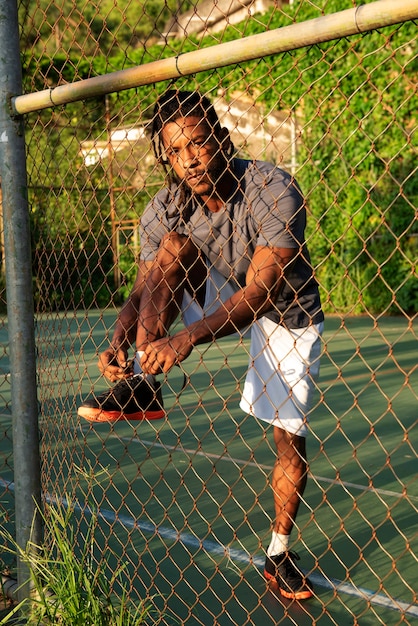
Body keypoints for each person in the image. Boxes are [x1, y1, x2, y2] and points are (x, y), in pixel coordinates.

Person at [78, 89, 324, 601]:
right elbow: (146, 284)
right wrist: (119, 339)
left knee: (288, 441)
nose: (188, 159)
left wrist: (188, 335)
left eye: (197, 143)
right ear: (164, 155)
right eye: (175, 150)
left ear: (220, 137)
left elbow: (260, 291)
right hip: (215, 283)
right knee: (170, 248)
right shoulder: (167, 204)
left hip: (283, 304)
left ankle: (278, 553)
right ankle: (143, 385)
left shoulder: (271, 187)